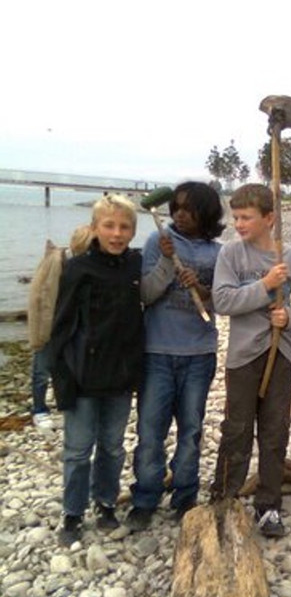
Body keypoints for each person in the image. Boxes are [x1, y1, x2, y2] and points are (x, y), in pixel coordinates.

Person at [209, 183, 291, 537]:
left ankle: (268, 506)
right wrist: (265, 285)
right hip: (243, 357)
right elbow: (223, 301)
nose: (238, 224)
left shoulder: (290, 257)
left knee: (274, 431)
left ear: (269, 218)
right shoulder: (231, 255)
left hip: (279, 354)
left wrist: (290, 317)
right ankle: (224, 497)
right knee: (237, 429)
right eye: (235, 217)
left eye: (246, 217)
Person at [126, 182, 225, 531]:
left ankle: (185, 496)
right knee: (150, 431)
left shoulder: (218, 253)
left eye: (189, 209)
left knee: (191, 430)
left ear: (206, 213)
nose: (180, 214)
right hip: (157, 352)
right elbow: (146, 295)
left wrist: (198, 285)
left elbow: (219, 304)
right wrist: (167, 263)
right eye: (176, 208)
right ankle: (145, 498)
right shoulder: (158, 241)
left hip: (199, 354)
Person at [49, 195, 145, 547]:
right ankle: (73, 512)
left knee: (112, 447)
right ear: (94, 228)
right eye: (109, 226)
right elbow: (60, 327)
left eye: (124, 227)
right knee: (77, 450)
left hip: (120, 375)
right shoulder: (77, 268)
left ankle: (105, 502)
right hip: (83, 375)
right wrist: (60, 378)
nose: (116, 234)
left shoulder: (136, 265)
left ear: (133, 232)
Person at [28, 226, 94, 432]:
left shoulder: (85, 265)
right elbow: (42, 297)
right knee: (42, 369)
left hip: (70, 325)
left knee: (68, 367)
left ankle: (66, 404)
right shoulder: (58, 262)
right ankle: (39, 409)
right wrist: (43, 330)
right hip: (50, 325)